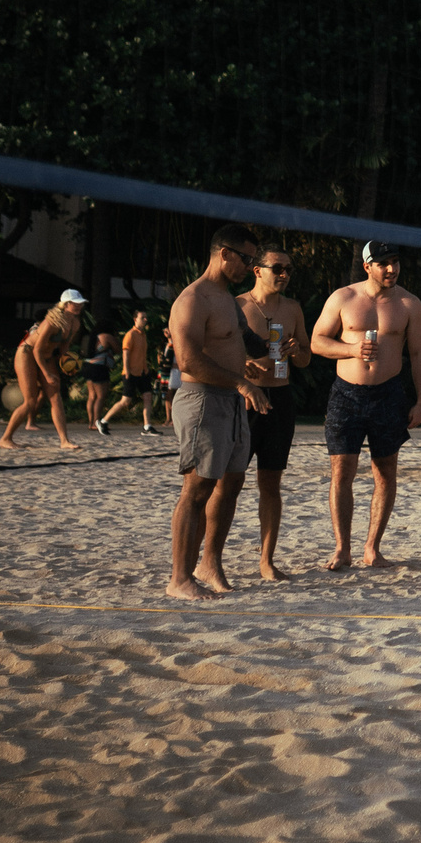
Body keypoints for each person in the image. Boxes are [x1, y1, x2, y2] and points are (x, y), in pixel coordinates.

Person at [166, 224, 274, 601]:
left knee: (230, 484)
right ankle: (180, 578)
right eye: (246, 259)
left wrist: (281, 346)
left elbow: (248, 342)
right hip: (202, 400)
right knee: (196, 489)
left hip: (229, 399)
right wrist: (242, 382)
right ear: (224, 253)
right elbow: (188, 360)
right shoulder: (193, 299)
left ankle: (208, 562)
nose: (250, 266)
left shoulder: (227, 299)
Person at [310, 241, 421, 570]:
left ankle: (372, 548)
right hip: (346, 394)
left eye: (395, 262)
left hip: (389, 394)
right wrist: (351, 350)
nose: (391, 269)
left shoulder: (409, 304)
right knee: (341, 473)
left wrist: (420, 400)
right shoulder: (344, 298)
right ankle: (342, 548)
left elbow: (419, 355)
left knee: (385, 473)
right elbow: (317, 341)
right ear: (367, 267)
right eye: (383, 263)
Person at [238, 247, 312, 582]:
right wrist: (243, 369)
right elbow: (216, 352)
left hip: (280, 397)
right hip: (243, 399)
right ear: (257, 270)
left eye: (289, 269)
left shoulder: (293, 308)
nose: (283, 274)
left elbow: (307, 359)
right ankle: (210, 557)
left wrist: (297, 351)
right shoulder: (237, 305)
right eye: (277, 268)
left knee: (271, 482)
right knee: (228, 481)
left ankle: (267, 560)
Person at [0, 291, 85, 451]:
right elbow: (37, 350)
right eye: (75, 302)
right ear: (66, 304)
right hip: (27, 354)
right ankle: (6, 438)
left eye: (80, 302)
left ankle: (64, 441)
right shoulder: (51, 322)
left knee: (55, 397)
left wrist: (67, 365)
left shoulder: (75, 323)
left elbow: (64, 347)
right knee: (30, 401)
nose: (79, 305)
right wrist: (46, 374)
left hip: (46, 357)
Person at [98, 311, 162, 435]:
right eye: (142, 318)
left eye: (146, 317)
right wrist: (127, 370)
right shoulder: (130, 334)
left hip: (142, 372)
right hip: (130, 372)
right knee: (125, 401)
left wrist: (146, 368)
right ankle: (103, 421)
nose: (145, 320)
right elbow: (125, 353)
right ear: (135, 319)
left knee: (148, 397)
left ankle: (147, 426)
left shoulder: (143, 335)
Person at [79, 331, 120, 436]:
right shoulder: (106, 336)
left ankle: (91, 422)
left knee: (92, 396)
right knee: (101, 396)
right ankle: (96, 422)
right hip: (98, 367)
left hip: (87, 365)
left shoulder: (91, 336)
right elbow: (118, 350)